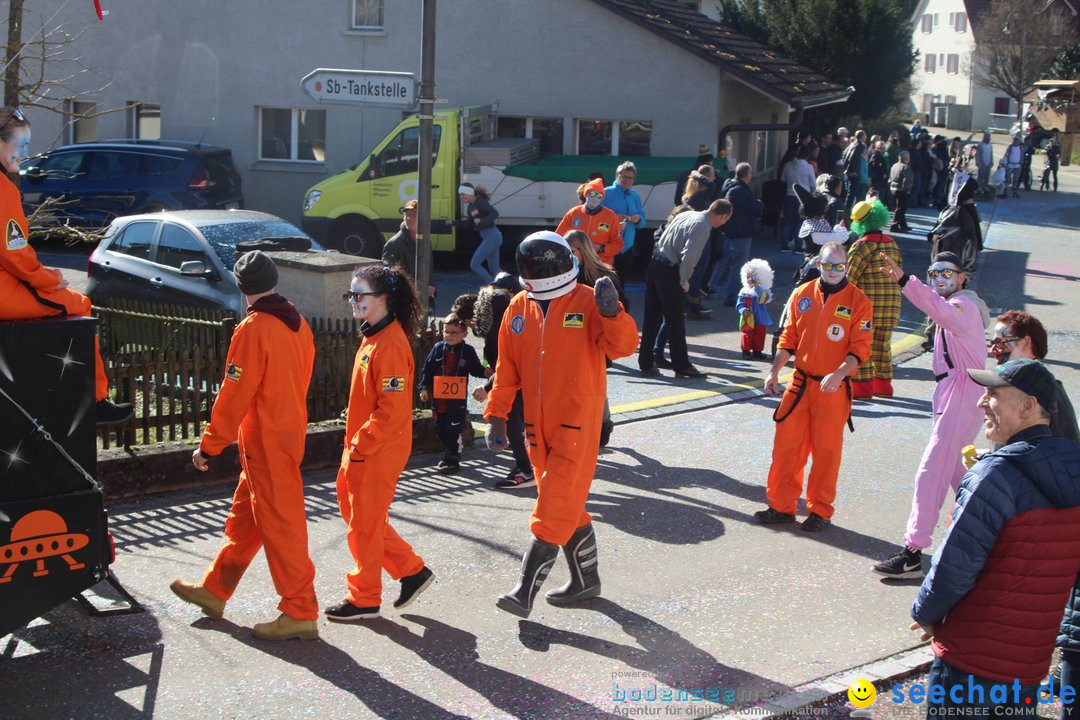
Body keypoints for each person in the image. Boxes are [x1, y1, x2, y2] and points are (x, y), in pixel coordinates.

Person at [910, 359, 1080, 717]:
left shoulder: (995, 473)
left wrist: (925, 613)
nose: (980, 402)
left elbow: (954, 567)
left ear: (1027, 406)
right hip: (1029, 664)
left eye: (992, 394)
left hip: (971, 661)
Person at [484, 231, 638, 618]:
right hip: (536, 428)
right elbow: (507, 370)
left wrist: (612, 313)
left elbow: (624, 347)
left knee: (553, 505)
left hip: (578, 424)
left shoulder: (589, 302)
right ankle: (587, 582)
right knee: (565, 503)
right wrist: (496, 416)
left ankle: (523, 592)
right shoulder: (519, 307)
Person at [169, 251, 319, 641]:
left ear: (240, 286)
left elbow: (235, 393)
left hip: (265, 439)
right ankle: (216, 590)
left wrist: (210, 445)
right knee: (247, 520)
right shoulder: (297, 322)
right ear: (275, 279)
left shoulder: (253, 328)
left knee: (281, 525)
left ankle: (300, 609)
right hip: (285, 434)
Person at [0, 106, 133, 426]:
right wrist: (49, 279)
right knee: (78, 303)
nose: (25, 153)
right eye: (20, 145)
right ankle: (96, 400)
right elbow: (13, 253)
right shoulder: (3, 190)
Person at [325, 264, 435, 622]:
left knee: (364, 525)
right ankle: (411, 571)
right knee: (361, 518)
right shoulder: (373, 336)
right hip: (364, 446)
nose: (353, 301)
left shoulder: (388, 344)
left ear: (384, 299)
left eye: (360, 295)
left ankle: (365, 598)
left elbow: (390, 411)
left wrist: (360, 446)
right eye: (351, 294)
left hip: (375, 449)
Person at [872, 251, 991, 578]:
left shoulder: (963, 306)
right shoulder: (957, 306)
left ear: (962, 277)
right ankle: (991, 538)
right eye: (934, 273)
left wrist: (904, 281)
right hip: (954, 392)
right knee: (958, 476)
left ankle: (913, 552)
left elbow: (938, 309)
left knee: (931, 471)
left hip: (962, 392)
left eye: (947, 273)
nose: (939, 278)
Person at [753, 242, 873, 532]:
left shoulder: (858, 301)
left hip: (832, 390)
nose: (834, 271)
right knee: (786, 449)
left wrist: (841, 373)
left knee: (826, 453)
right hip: (800, 384)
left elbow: (861, 348)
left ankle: (820, 510)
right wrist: (774, 372)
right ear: (819, 264)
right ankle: (781, 506)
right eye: (829, 265)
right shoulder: (802, 294)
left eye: (840, 266)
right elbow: (788, 337)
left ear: (847, 267)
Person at [639, 200, 731, 379]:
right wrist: (684, 280)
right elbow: (690, 256)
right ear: (723, 216)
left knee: (652, 318)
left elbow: (664, 237)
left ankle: (646, 363)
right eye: (726, 219)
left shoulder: (687, 214)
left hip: (656, 263)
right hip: (670, 269)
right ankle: (681, 365)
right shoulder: (703, 226)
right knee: (675, 321)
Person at [565, 229, 628, 447]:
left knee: (593, 385)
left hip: (595, 339)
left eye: (572, 251)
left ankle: (603, 424)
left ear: (583, 250)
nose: (569, 256)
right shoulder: (564, 274)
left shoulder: (604, 275)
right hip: (570, 338)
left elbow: (621, 308)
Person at [471, 272, 535, 489]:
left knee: (514, 423)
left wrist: (487, 386)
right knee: (523, 423)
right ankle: (531, 466)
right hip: (523, 380)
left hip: (515, 384)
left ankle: (526, 469)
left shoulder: (499, 330)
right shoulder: (512, 322)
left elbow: (507, 364)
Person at [989, 310, 1079, 445]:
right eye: (992, 342)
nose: (992, 351)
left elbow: (1068, 448)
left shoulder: (1050, 391)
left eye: (1000, 342)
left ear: (1025, 342)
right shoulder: (1007, 385)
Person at [846, 200, 903, 399]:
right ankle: (884, 386)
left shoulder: (860, 246)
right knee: (882, 347)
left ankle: (862, 388)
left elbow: (849, 278)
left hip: (867, 309)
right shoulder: (892, 244)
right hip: (891, 307)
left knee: (862, 347)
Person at [419, 313, 487, 475]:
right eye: (446, 331)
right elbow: (427, 370)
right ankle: (450, 452)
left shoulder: (468, 351)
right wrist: (422, 388)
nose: (448, 335)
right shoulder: (437, 349)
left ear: (464, 334)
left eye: (453, 332)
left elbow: (475, 369)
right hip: (439, 398)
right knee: (440, 428)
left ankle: (453, 457)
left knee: (453, 428)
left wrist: (487, 372)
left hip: (457, 400)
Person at [707, 162, 762, 307]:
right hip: (741, 232)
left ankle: (708, 287)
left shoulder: (730, 186)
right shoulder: (741, 190)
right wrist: (759, 203)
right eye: (750, 173)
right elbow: (756, 207)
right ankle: (732, 297)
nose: (752, 175)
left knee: (722, 261)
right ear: (746, 174)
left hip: (730, 230)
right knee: (737, 265)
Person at [555, 178, 623, 267]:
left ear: (602, 197)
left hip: (600, 265)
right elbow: (558, 237)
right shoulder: (574, 213)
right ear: (586, 194)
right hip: (576, 264)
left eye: (599, 195)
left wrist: (601, 248)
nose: (595, 197)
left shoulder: (610, 216)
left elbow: (618, 244)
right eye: (592, 194)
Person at [447, 183, 501, 284]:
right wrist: (453, 222)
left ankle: (493, 285)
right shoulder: (471, 207)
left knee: (474, 264)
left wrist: (482, 221)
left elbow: (495, 213)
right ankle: (507, 286)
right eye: (460, 195)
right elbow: (469, 223)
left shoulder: (480, 202)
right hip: (491, 237)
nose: (461, 197)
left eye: (463, 194)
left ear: (470, 193)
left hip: (492, 236)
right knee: (495, 270)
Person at [927, 178, 981, 277]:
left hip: (947, 269)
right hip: (952, 269)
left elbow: (932, 235)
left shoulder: (950, 212)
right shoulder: (964, 213)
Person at [602, 161, 646, 281]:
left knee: (622, 282)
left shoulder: (634, 196)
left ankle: (621, 300)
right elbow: (597, 221)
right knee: (606, 281)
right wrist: (614, 218)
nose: (628, 180)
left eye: (631, 178)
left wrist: (638, 220)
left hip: (627, 247)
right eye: (625, 177)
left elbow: (642, 223)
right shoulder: (606, 193)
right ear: (618, 176)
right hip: (608, 246)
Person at [383, 199, 435, 298]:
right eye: (407, 215)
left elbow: (429, 268)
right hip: (404, 301)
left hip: (423, 299)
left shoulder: (425, 240)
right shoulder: (394, 243)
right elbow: (388, 276)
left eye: (413, 215)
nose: (408, 218)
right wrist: (411, 287)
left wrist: (432, 288)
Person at [780, 146, 817, 252]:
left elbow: (783, 179)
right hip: (803, 197)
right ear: (807, 156)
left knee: (788, 221)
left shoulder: (787, 165)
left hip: (789, 195)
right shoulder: (809, 168)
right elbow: (813, 185)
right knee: (800, 221)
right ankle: (798, 245)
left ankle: (784, 244)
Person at [735, 259, 773, 360]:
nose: (750, 279)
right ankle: (746, 351)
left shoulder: (764, 290)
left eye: (753, 277)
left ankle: (757, 351)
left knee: (760, 334)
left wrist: (756, 287)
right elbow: (739, 304)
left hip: (760, 316)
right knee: (747, 334)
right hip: (747, 316)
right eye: (748, 277)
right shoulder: (744, 290)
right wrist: (743, 310)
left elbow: (764, 299)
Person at [889, 150, 913, 233]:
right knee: (901, 208)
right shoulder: (906, 167)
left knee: (899, 207)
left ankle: (903, 225)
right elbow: (906, 180)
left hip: (893, 188)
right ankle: (894, 225)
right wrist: (907, 189)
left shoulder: (894, 165)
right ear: (906, 158)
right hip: (902, 190)